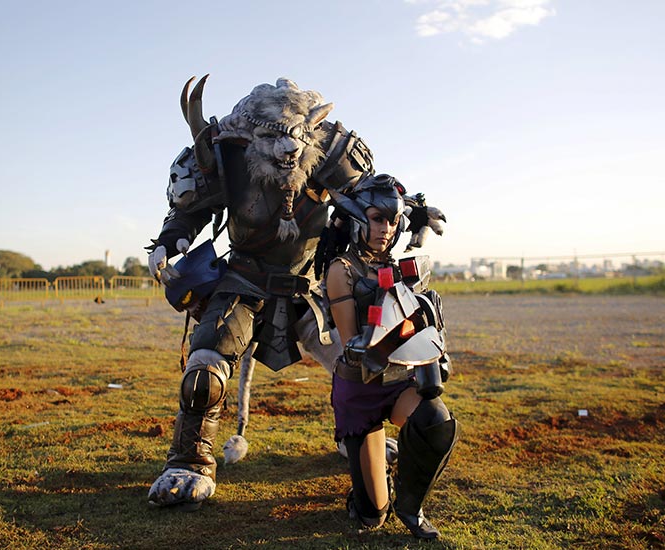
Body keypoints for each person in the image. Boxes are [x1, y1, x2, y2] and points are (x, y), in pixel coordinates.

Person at [145, 75, 446, 510]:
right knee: (205, 369)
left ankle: (359, 439)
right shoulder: (226, 155)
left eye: (296, 137)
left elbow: (368, 195)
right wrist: (167, 243)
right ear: (248, 135)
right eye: (272, 137)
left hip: (311, 287)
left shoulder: (327, 153)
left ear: (310, 133)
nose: (287, 149)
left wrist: (413, 208)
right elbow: (192, 210)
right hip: (244, 281)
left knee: (366, 361)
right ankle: (190, 462)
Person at [324, 174, 458, 539]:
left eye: (393, 220)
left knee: (436, 419)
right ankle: (369, 493)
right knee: (371, 517)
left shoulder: (403, 269)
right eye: (376, 218)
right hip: (360, 390)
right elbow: (354, 348)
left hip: (399, 383)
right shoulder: (341, 269)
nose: (385, 228)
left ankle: (411, 506)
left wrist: (431, 329)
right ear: (357, 219)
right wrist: (406, 329)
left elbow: (417, 330)